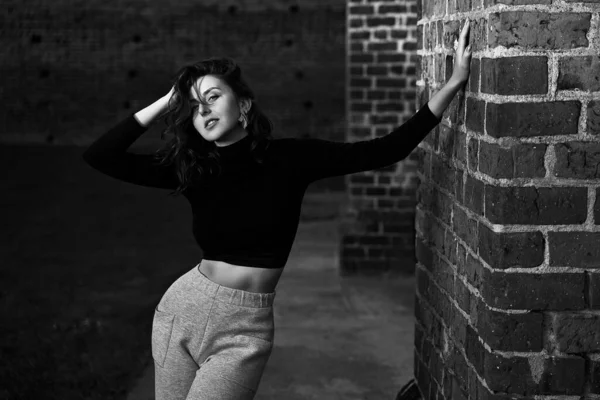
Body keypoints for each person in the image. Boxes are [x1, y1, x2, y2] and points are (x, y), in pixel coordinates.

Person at [81, 19, 471, 400]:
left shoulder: (291, 158)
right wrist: (169, 99)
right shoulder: (192, 169)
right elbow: (100, 155)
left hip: (246, 328)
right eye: (194, 106)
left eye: (213, 97)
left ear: (244, 105)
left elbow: (387, 149)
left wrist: (453, 83)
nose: (204, 110)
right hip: (184, 310)